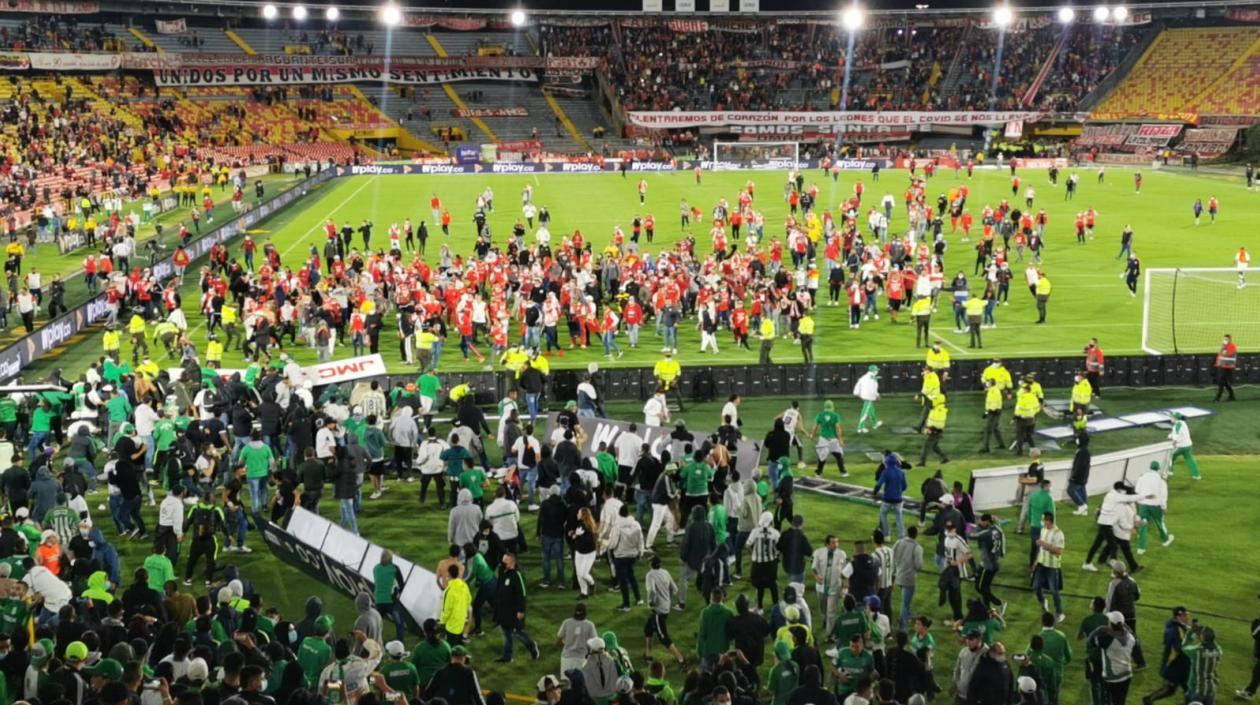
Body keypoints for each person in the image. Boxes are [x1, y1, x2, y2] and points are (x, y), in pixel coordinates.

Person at [493, 552, 539, 664]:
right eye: (502, 560)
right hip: (503, 610)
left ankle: (532, 646)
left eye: (505, 561)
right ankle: (507, 657)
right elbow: (499, 588)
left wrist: (521, 610)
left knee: (516, 633)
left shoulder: (517, 575)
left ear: (512, 562)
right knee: (506, 633)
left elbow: (522, 594)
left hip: (514, 611)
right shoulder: (502, 572)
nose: (502, 563)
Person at [1088, 612, 1137, 705]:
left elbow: (1091, 641)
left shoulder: (1107, 640)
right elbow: (1129, 633)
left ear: (1110, 624)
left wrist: (1100, 629)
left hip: (1113, 677)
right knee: (1120, 702)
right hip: (1127, 674)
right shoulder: (1131, 637)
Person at [1033, 511, 1066, 623]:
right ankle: (1043, 603)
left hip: (1053, 567)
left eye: (1043, 520)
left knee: (1054, 590)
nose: (1042, 522)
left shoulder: (1058, 533)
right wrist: (1035, 562)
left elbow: (1059, 551)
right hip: (1042, 564)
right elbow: (1041, 550)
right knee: (1036, 587)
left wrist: (1045, 545)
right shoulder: (1043, 530)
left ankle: (1059, 612)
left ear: (1048, 521)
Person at [1134, 461, 1173, 554]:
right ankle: (1165, 540)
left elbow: (1136, 490)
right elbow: (1164, 495)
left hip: (1143, 505)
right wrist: (1164, 507)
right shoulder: (1161, 480)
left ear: (1150, 467)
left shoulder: (1142, 477)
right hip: (1156, 506)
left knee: (1143, 525)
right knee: (1159, 523)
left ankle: (1141, 548)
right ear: (1158, 468)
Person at [1167, 413, 1201, 480]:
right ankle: (1196, 475)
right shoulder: (1183, 423)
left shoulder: (1178, 424)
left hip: (1180, 446)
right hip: (1188, 445)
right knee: (1189, 459)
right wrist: (1170, 436)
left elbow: (1177, 434)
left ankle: (1170, 471)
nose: (1171, 418)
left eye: (1172, 417)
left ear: (1175, 418)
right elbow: (1177, 433)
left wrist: (1174, 440)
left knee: (1169, 456)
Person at [853, 365, 882, 433]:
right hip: (868, 397)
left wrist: (856, 393)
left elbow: (859, 384)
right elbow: (873, 389)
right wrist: (877, 395)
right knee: (865, 412)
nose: (877, 371)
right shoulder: (872, 378)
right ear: (873, 370)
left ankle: (875, 423)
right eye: (876, 370)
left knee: (871, 410)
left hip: (865, 395)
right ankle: (860, 427)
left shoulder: (865, 376)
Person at [1213, 334, 1237, 402]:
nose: (1224, 340)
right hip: (1222, 366)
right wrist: (1217, 363)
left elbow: (1226, 354)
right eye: (1224, 339)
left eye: (1226, 339)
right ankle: (1232, 396)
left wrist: (1224, 348)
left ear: (1230, 340)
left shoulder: (1232, 346)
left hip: (1228, 367)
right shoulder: (1224, 346)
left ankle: (1217, 398)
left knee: (1221, 382)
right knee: (1225, 382)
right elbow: (1220, 355)